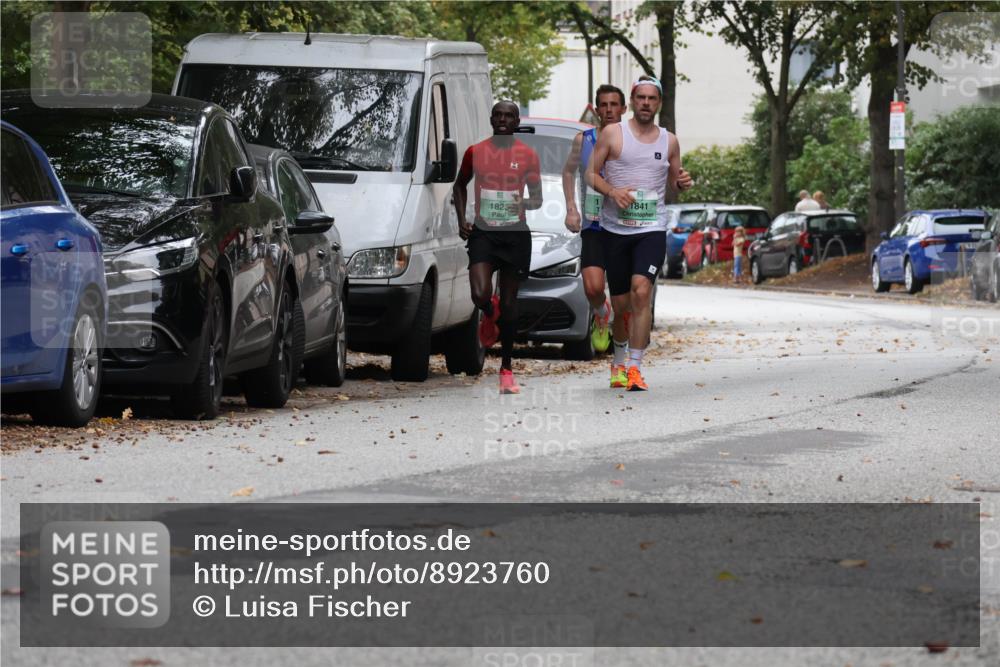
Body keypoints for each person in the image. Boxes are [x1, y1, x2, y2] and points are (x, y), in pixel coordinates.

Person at [587, 75, 693, 391]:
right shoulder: (612, 134)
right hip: (615, 230)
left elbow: (676, 182)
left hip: (651, 228)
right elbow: (590, 173)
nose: (646, 103)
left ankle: (635, 366)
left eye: (652, 98)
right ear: (632, 101)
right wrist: (612, 191)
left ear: (658, 103)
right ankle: (618, 360)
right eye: (641, 97)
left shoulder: (669, 141)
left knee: (641, 291)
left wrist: (683, 183)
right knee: (620, 306)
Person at [454, 101, 543, 394]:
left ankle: (506, 369)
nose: (503, 120)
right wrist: (461, 220)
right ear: (491, 119)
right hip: (484, 233)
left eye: (509, 116)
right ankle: (488, 309)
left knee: (510, 304)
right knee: (480, 292)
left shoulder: (527, 155)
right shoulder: (475, 152)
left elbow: (537, 200)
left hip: (515, 235)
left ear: (517, 122)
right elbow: (459, 185)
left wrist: (521, 203)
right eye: (498, 115)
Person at [561, 84, 628, 367]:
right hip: (594, 223)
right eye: (604, 105)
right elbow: (568, 171)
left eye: (615, 104)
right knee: (592, 287)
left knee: (625, 294)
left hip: (626, 226)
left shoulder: (633, 139)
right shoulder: (583, 139)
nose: (609, 110)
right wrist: (571, 208)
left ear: (624, 109)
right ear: (597, 109)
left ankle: (622, 356)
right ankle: (602, 312)